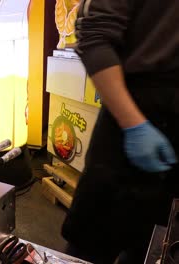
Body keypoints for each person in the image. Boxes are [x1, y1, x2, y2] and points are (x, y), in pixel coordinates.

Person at [61, 1, 179, 263]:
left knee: (157, 248)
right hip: (135, 114)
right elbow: (93, 34)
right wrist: (134, 124)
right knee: (90, 247)